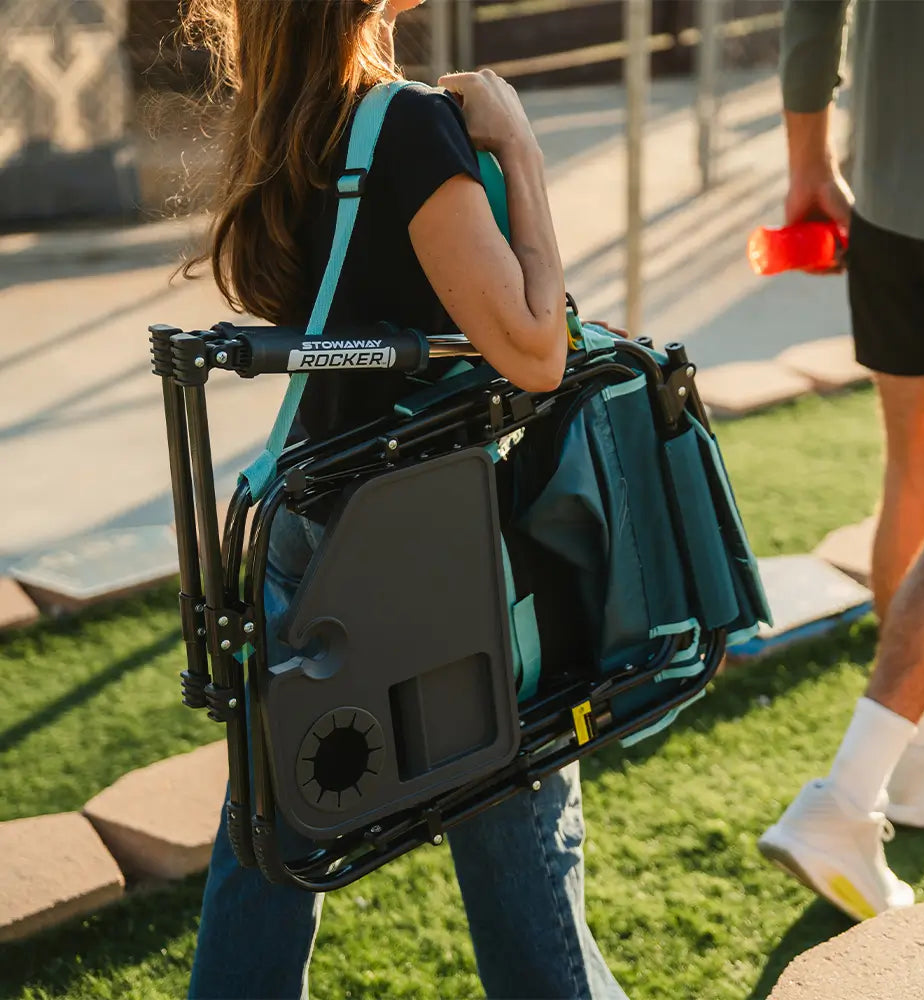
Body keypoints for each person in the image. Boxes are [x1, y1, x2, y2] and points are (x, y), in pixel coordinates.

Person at [179, 1, 626, 997]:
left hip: (306, 533)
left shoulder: (289, 116)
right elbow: (534, 350)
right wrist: (517, 147)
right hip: (423, 556)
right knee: (529, 887)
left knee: (268, 855)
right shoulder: (407, 123)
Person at [758, 0, 924, 922]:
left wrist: (807, 165)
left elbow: (813, 8)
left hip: (887, 204)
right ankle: (846, 801)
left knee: (915, 472)